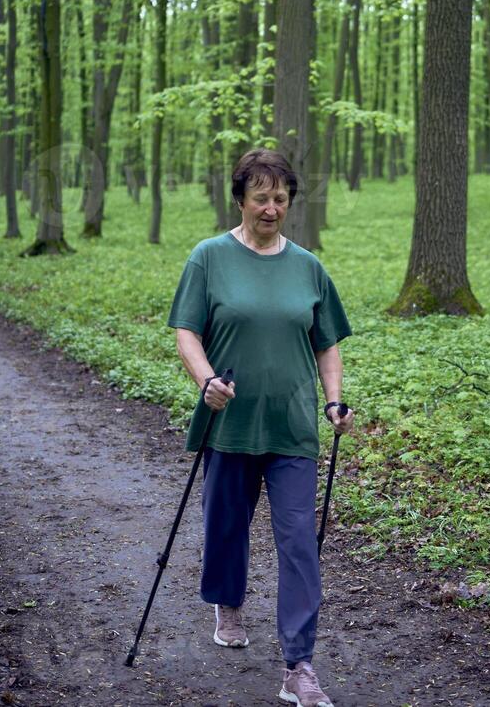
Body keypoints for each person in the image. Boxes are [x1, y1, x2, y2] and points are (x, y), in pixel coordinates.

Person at [167, 147, 355, 707]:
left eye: (280, 198)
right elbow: (187, 333)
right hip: (230, 423)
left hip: (293, 426)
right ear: (241, 199)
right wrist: (205, 381)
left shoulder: (308, 267)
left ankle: (298, 664)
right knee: (226, 524)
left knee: (300, 543)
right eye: (261, 197)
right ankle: (228, 601)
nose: (271, 208)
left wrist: (334, 402)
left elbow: (327, 343)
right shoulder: (208, 258)